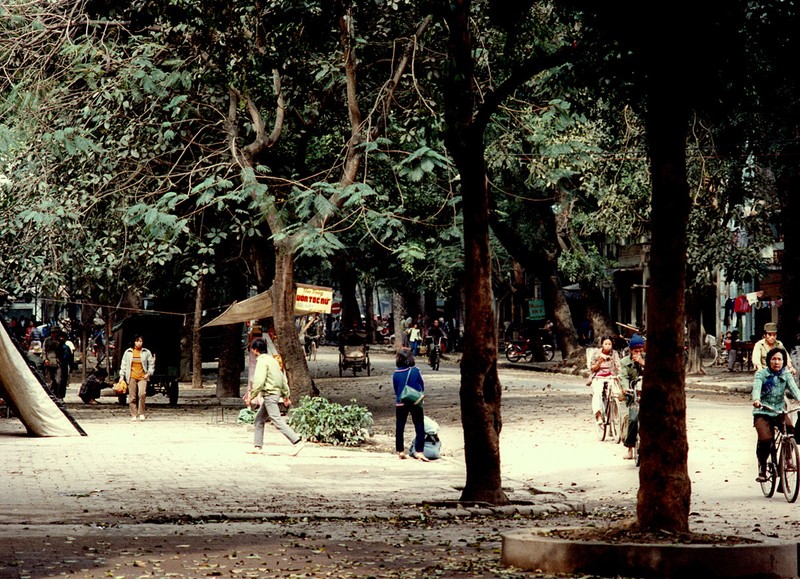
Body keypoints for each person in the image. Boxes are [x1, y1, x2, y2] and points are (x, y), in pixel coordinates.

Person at [246, 338, 304, 454]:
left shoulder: (262, 361)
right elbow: (282, 378)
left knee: (276, 420)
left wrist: (251, 396)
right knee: (259, 420)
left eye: (252, 350)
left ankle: (297, 441)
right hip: (274, 393)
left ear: (255, 350)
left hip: (270, 394)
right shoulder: (272, 360)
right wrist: (286, 395)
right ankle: (258, 447)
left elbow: (259, 381)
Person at [752, 347, 800, 482]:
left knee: (790, 430)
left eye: (779, 359)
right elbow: (756, 389)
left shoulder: (786, 375)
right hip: (762, 411)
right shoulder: (761, 374)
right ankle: (762, 466)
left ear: (784, 361)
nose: (777, 362)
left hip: (779, 411)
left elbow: (795, 390)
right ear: (769, 361)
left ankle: (788, 459)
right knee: (766, 439)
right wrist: (756, 400)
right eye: (774, 359)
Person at [392, 349, 429, 462]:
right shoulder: (416, 370)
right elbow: (422, 385)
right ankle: (419, 452)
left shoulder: (396, 373)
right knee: (419, 425)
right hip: (415, 401)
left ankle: (401, 451)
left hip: (401, 402)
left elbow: (396, 388)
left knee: (400, 425)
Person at [618, 333, 645, 460]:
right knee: (633, 419)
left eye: (640, 350)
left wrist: (642, 363)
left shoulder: (648, 358)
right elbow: (623, 376)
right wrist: (625, 387)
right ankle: (630, 447)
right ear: (630, 350)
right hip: (633, 394)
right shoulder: (624, 362)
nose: (638, 353)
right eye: (636, 351)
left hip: (648, 393)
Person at [119, 334, 155, 421]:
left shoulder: (146, 352)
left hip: (142, 376)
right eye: (137, 341)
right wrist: (121, 376)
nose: (139, 343)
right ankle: (133, 414)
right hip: (132, 376)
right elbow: (123, 364)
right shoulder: (128, 352)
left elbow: (151, 364)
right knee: (132, 396)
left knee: (142, 394)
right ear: (134, 342)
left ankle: (141, 413)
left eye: (141, 341)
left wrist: (149, 373)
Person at [588, 336, 620, 427]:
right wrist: (599, 362)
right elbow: (592, 368)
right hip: (598, 377)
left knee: (616, 394)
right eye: (605, 344)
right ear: (602, 344)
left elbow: (618, 365)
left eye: (609, 344)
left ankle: (615, 415)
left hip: (610, 376)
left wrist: (619, 372)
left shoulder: (614, 353)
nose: (607, 346)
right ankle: (598, 415)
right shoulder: (596, 353)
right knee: (597, 393)